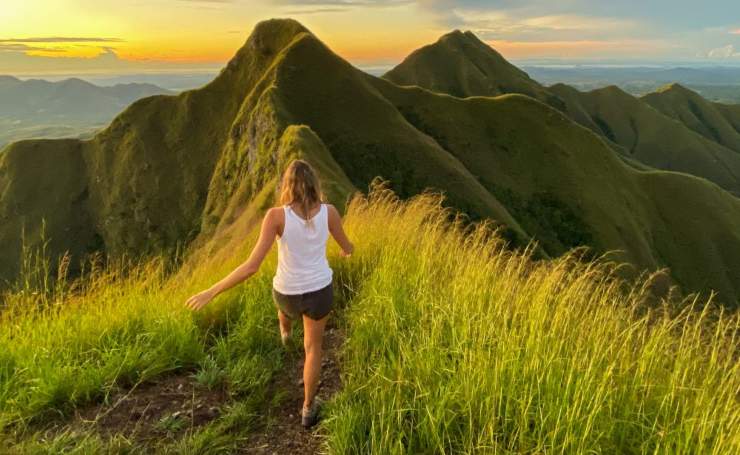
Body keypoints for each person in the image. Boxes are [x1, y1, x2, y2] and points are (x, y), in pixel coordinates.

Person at [184, 159, 354, 428]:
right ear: (314, 185)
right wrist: (347, 252)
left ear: (287, 185)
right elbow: (347, 246)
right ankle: (308, 409)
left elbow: (251, 266)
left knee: (283, 304)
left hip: (286, 294)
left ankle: (285, 333)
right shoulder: (330, 212)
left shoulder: (276, 216)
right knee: (313, 349)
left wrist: (212, 291)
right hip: (320, 292)